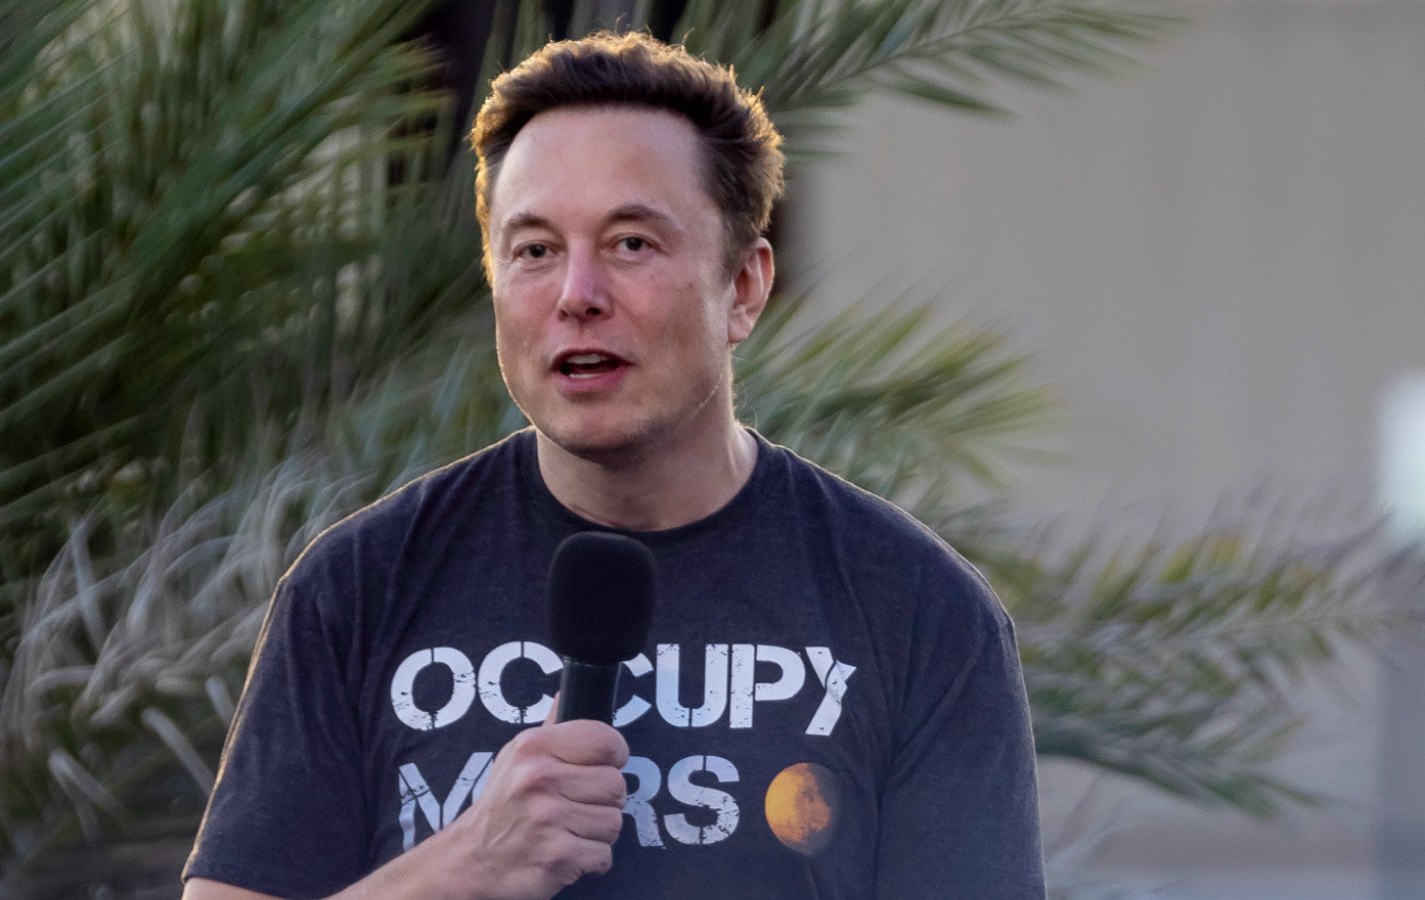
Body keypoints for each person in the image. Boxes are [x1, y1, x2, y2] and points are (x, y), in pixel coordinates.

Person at [182, 31, 1043, 900]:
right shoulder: (357, 588)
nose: (577, 293)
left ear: (743, 287)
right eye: (534, 250)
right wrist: (470, 865)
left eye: (632, 243)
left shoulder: (916, 609)